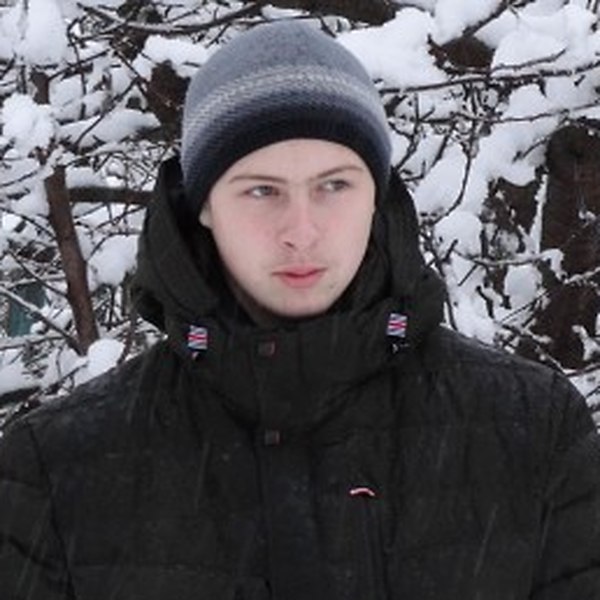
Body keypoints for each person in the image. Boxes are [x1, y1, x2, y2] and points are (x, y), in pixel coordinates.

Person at [0, 20, 599, 600]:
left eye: (334, 185)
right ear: (203, 205)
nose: (301, 231)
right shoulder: (55, 469)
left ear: (376, 195)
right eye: (262, 190)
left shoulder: (533, 429)